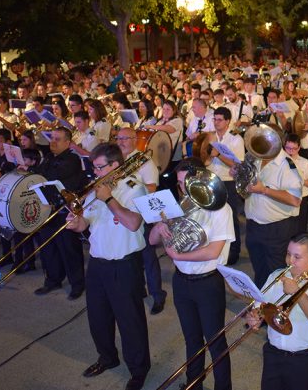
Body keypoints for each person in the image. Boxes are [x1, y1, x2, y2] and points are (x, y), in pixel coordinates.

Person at [64, 143, 150, 390]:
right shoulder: (95, 190)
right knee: (98, 317)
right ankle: (108, 357)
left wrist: (109, 199)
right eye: (94, 167)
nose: (95, 172)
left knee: (130, 321)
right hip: (98, 262)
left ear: (115, 165)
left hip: (124, 265)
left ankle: (139, 370)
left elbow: (133, 223)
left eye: (100, 167)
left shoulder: (135, 188)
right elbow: (86, 224)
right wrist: (76, 223)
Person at [149, 160, 236, 390]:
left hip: (208, 283)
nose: (183, 189)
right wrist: (159, 227)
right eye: (179, 183)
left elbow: (213, 251)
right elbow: (152, 241)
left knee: (215, 341)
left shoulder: (221, 208)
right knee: (191, 338)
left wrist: (178, 255)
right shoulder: (179, 206)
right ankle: (194, 383)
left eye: (186, 182)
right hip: (181, 281)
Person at [246, 233, 308, 390]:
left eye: (297, 257)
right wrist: (254, 318)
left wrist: (297, 292)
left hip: (304, 358)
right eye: (288, 254)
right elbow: (259, 307)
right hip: (273, 353)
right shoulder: (276, 276)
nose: (290, 261)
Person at [235, 133, 303, 288]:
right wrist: (238, 175)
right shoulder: (255, 158)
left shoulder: (287, 165)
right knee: (259, 269)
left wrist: (264, 190)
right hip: (253, 225)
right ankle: (262, 299)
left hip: (276, 229)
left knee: (277, 272)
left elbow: (295, 200)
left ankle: (277, 301)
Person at [115, 126, 167, 315]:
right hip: (122, 213)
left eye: (125, 138)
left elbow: (151, 189)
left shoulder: (144, 161)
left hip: (140, 214)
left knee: (148, 258)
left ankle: (158, 295)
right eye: (118, 138)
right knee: (131, 256)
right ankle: (139, 289)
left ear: (135, 140)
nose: (120, 142)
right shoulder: (116, 160)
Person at [33, 126, 87, 299]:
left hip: (65, 210)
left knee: (69, 249)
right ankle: (53, 280)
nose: (53, 142)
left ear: (68, 143)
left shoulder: (72, 159)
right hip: (47, 208)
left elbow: (50, 176)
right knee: (48, 248)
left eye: (57, 139)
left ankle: (77, 284)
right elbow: (38, 175)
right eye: (52, 138)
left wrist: (39, 172)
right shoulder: (49, 157)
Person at [203, 106, 245, 265]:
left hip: (228, 181)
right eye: (214, 119)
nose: (216, 122)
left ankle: (234, 251)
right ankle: (216, 249)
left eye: (220, 120)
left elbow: (238, 164)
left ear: (228, 121)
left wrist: (219, 155)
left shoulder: (236, 139)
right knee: (212, 216)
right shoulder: (210, 137)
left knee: (231, 217)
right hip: (211, 179)